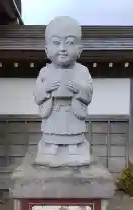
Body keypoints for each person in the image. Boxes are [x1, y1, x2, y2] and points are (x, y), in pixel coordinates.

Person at [34, 16, 93, 158]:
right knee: (52, 130)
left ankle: (75, 145)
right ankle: (52, 144)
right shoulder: (45, 71)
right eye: (56, 42)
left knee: (73, 130)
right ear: (47, 49)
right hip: (53, 109)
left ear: (79, 50)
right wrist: (46, 88)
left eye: (70, 42)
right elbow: (37, 94)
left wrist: (78, 88)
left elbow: (89, 92)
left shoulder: (82, 70)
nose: (62, 49)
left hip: (73, 110)